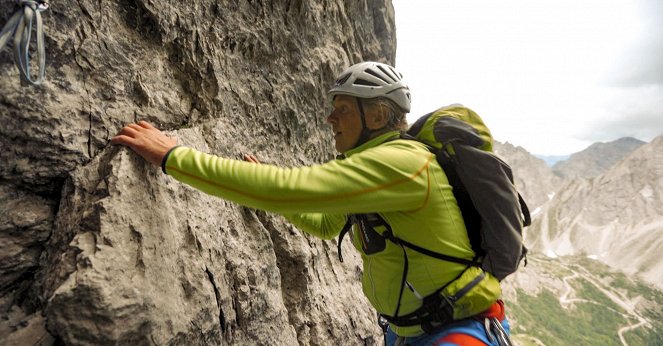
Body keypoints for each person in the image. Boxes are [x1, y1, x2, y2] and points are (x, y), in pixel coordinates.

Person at [112, 61, 510, 346]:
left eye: (341, 108)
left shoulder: (402, 165)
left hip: (456, 334)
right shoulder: (378, 165)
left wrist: (172, 156)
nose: (329, 118)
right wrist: (274, 197)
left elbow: (291, 186)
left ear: (376, 114)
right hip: (409, 330)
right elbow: (327, 224)